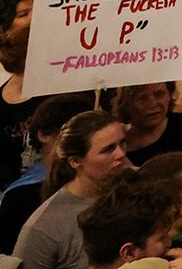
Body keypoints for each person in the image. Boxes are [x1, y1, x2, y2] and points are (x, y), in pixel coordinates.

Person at [13, 110, 128, 269]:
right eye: (108, 149)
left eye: (122, 143)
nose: (121, 153)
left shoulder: (140, 188)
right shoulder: (44, 227)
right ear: (75, 161)